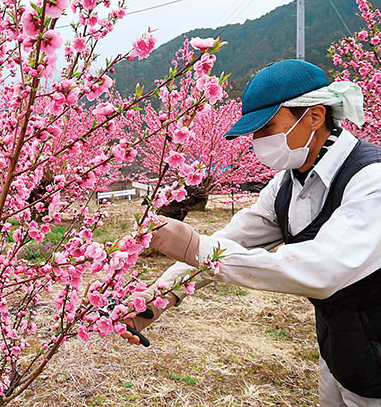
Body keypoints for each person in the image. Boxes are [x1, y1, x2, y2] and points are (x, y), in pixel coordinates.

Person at [121, 60, 381, 406]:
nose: (258, 141)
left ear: (315, 116)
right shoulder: (288, 183)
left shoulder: (370, 179)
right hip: (339, 348)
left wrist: (195, 246)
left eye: (267, 127)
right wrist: (158, 297)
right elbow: (232, 239)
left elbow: (322, 270)